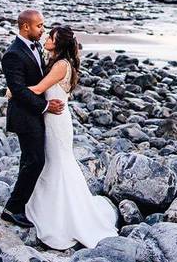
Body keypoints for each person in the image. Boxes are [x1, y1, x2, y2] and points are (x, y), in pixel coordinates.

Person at [24, 25, 118, 249]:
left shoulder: (61, 65)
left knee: (59, 163)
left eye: (51, 37)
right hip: (53, 117)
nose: (46, 37)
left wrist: (12, 90)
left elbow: (37, 89)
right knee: (53, 163)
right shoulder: (57, 62)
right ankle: (48, 207)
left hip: (56, 121)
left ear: (59, 44)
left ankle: (63, 216)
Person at [1, 9, 65, 228]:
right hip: (24, 116)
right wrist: (46, 105)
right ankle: (12, 208)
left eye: (43, 26)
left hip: (35, 114)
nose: (42, 30)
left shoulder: (37, 46)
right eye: (39, 26)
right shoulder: (13, 54)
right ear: (25, 27)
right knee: (35, 161)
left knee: (30, 160)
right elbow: (18, 90)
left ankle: (24, 205)